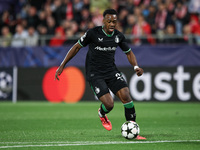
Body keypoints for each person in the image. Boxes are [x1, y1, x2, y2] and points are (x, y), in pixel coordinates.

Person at [55, 9, 146, 140]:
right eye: (109, 21)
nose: (112, 24)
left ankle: (134, 132)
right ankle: (102, 113)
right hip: (95, 73)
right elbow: (76, 47)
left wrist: (136, 66)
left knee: (126, 96)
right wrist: (63, 64)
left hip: (111, 70)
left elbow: (129, 52)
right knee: (109, 104)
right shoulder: (92, 33)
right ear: (104, 21)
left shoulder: (118, 36)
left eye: (114, 21)